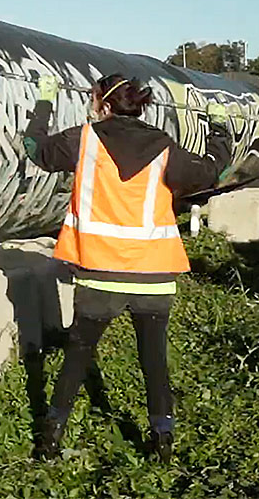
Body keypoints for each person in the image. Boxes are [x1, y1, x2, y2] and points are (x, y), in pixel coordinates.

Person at [22, 73, 232, 462]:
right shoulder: (164, 147)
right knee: (153, 360)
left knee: (77, 355)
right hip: (153, 275)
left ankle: (49, 439)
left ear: (102, 102)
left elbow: (35, 148)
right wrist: (219, 129)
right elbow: (211, 173)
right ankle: (162, 441)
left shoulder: (81, 140)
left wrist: (44, 102)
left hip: (99, 273)